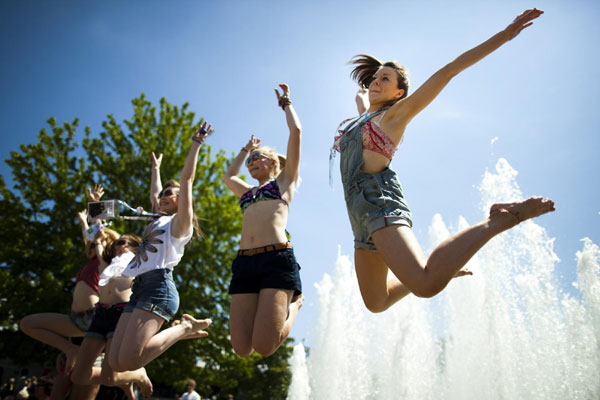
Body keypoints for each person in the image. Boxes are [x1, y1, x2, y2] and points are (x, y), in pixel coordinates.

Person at [332, 9, 555, 313]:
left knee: (426, 285)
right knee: (377, 302)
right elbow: (361, 101)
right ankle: (442, 269)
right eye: (374, 78)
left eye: (385, 78)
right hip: (358, 216)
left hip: (378, 203)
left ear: (399, 92)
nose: (376, 82)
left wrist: (505, 34)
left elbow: (450, 70)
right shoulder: (361, 119)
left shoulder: (395, 116)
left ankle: (497, 219)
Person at [107, 122, 213, 372]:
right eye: (163, 194)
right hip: (139, 289)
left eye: (170, 194)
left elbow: (187, 180)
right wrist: (155, 169)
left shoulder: (179, 224)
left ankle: (185, 327)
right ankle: (183, 329)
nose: (163, 197)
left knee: (131, 362)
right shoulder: (156, 219)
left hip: (159, 289)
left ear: (182, 202)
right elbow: (154, 194)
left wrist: (195, 144)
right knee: (114, 363)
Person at [223, 84, 303, 357]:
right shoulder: (247, 193)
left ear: (271, 163)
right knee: (242, 348)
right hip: (245, 262)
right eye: (249, 161)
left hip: (275, 260)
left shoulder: (284, 182)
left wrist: (286, 104)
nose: (250, 163)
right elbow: (228, 176)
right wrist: (246, 149)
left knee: (264, 347)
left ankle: (295, 306)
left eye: (257, 158)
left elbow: (296, 132)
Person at [19, 185, 111, 399]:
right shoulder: (90, 259)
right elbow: (88, 237)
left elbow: (97, 232)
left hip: (93, 319)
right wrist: (83, 222)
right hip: (75, 321)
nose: (90, 245)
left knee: (81, 387)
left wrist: (95, 206)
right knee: (27, 323)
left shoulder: (106, 259)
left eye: (95, 243)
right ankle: (71, 350)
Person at [71, 230, 153, 399]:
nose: (119, 245)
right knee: (78, 376)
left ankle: (139, 374)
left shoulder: (139, 262)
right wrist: (98, 234)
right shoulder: (109, 266)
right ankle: (130, 377)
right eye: (118, 243)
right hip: (100, 313)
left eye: (124, 243)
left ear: (136, 248)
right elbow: (98, 244)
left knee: (110, 378)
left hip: (121, 313)